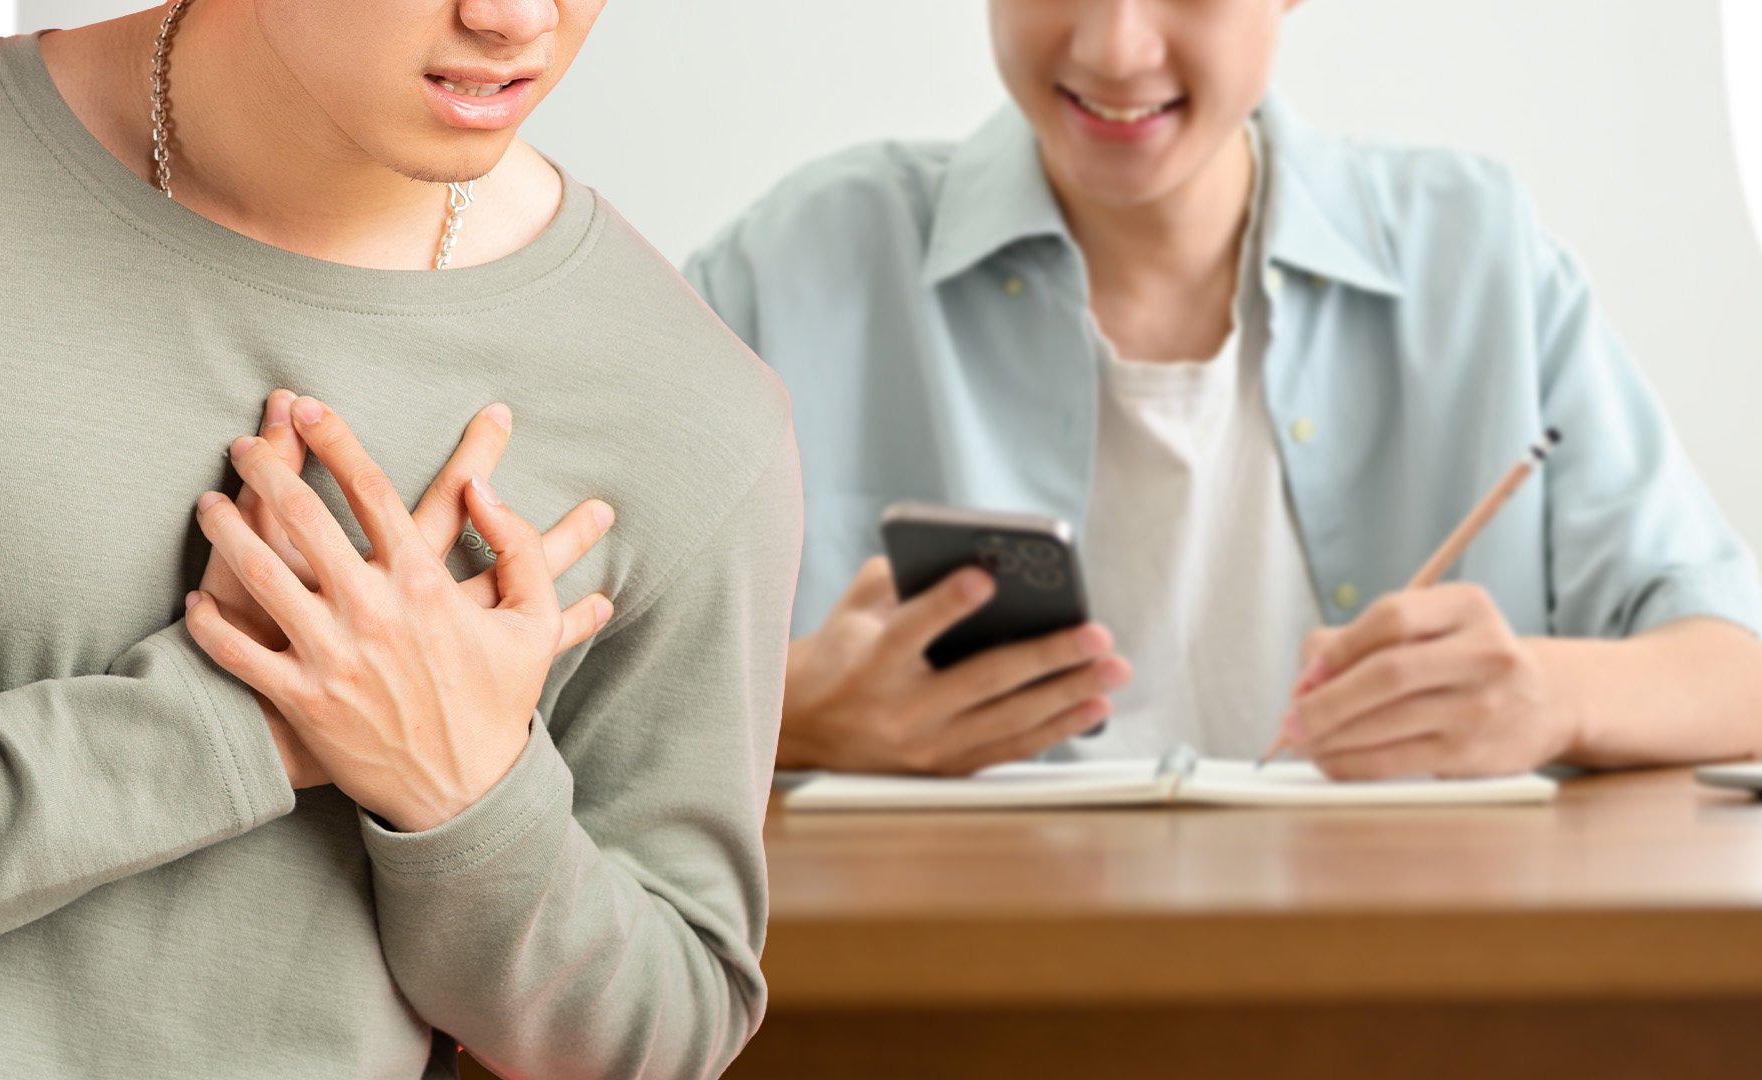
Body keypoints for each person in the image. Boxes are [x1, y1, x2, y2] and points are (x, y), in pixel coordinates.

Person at [0, 2, 801, 1078]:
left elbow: (662, 1035)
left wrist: (466, 794)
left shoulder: (690, 412)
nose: (515, 18)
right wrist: (230, 727)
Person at [684, 0, 1762, 779]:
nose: (1115, 46)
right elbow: (542, 687)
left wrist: (1552, 700)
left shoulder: (1476, 255)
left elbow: (1738, 665)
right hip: (966, 986)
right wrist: (790, 719)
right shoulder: (798, 265)